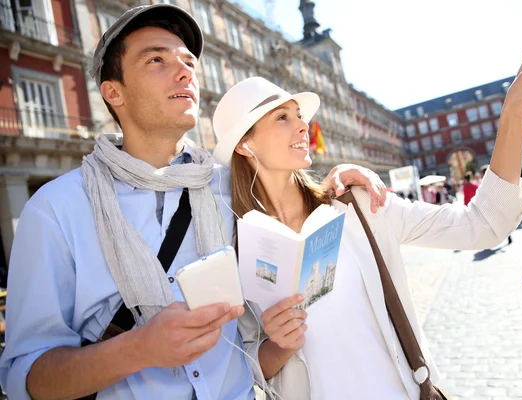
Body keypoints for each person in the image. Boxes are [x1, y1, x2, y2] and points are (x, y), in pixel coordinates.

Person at [0, 5, 386, 399]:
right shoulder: (56, 209)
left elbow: (293, 203)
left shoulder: (233, 187)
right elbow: (26, 377)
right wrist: (136, 350)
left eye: (189, 62)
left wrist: (335, 183)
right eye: (156, 60)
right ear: (113, 92)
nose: (185, 71)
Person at [210, 16, 522, 399]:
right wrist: (278, 347)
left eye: (300, 116)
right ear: (245, 145)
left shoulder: (361, 205)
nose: (303, 128)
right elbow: (234, 364)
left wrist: (515, 113)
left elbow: (483, 224)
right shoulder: (233, 244)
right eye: (283, 118)